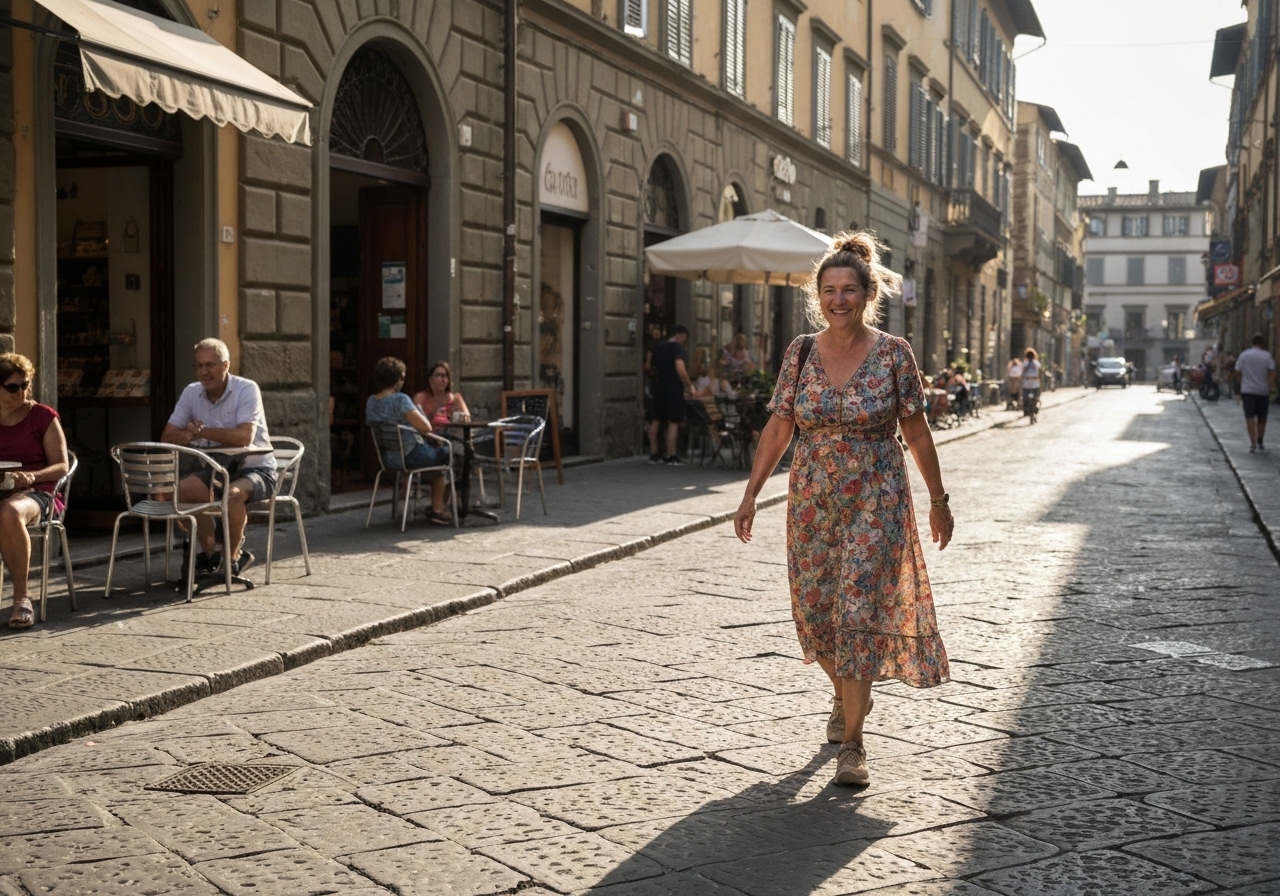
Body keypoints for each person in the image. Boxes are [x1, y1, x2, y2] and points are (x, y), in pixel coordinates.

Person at [733, 231, 952, 788]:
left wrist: (938, 500)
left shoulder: (894, 354)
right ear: (817, 295)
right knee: (815, 617)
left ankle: (853, 745)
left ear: (867, 293)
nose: (837, 299)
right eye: (828, 290)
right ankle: (846, 697)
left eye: (848, 289)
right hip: (811, 501)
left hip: (876, 497)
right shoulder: (800, 353)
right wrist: (752, 491)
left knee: (855, 615)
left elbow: (917, 431)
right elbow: (780, 424)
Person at [163, 338, 276, 577]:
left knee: (232, 496)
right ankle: (211, 551)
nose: (204, 372)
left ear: (225, 365)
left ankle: (231, 559)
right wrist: (186, 434)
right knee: (179, 492)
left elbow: (245, 436)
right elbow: (168, 436)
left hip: (256, 470)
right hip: (216, 469)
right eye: (199, 366)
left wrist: (200, 432)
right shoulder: (192, 392)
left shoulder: (246, 389)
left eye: (210, 365)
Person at [0, 354, 69, 629]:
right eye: (13, 387)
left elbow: (61, 465)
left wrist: (31, 476)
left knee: (9, 511)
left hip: (38, 492)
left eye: (25, 385)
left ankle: (21, 599)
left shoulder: (42, 416)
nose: (22, 392)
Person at [367, 357, 454, 524]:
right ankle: (438, 509)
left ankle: (420, 500)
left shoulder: (371, 402)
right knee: (446, 453)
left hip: (388, 459)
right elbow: (426, 427)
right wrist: (419, 414)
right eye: (402, 377)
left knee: (437, 452)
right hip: (409, 456)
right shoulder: (400, 399)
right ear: (397, 379)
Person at [647, 325, 694, 466]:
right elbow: (680, 367)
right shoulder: (677, 349)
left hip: (657, 389)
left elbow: (651, 367)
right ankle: (671, 455)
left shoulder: (659, 348)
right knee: (674, 421)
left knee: (655, 420)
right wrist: (688, 385)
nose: (684, 341)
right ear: (680, 335)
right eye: (684, 338)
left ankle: (654, 454)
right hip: (673, 389)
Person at [1235, 334, 1278, 453]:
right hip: (1263, 390)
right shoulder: (1267, 356)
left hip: (1247, 390)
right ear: (1262, 344)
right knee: (1262, 418)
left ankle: (1252, 442)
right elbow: (1272, 372)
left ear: (1252, 343)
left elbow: (1237, 370)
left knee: (1249, 417)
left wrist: (1240, 382)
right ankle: (1260, 440)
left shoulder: (1244, 355)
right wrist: (1272, 386)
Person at [413, 360, 471, 427]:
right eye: (437, 375)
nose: (441, 379)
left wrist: (454, 417)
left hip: (450, 436)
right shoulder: (420, 398)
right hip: (426, 435)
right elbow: (414, 420)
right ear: (430, 379)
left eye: (444, 376)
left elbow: (467, 418)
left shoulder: (455, 398)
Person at [1020, 348, 1041, 423]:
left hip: (1027, 384)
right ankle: (1032, 410)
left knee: (1027, 399)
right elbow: (1040, 373)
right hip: (1034, 384)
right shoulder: (1036, 363)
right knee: (1034, 398)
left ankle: (1029, 410)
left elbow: (1021, 374)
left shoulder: (1025, 364)